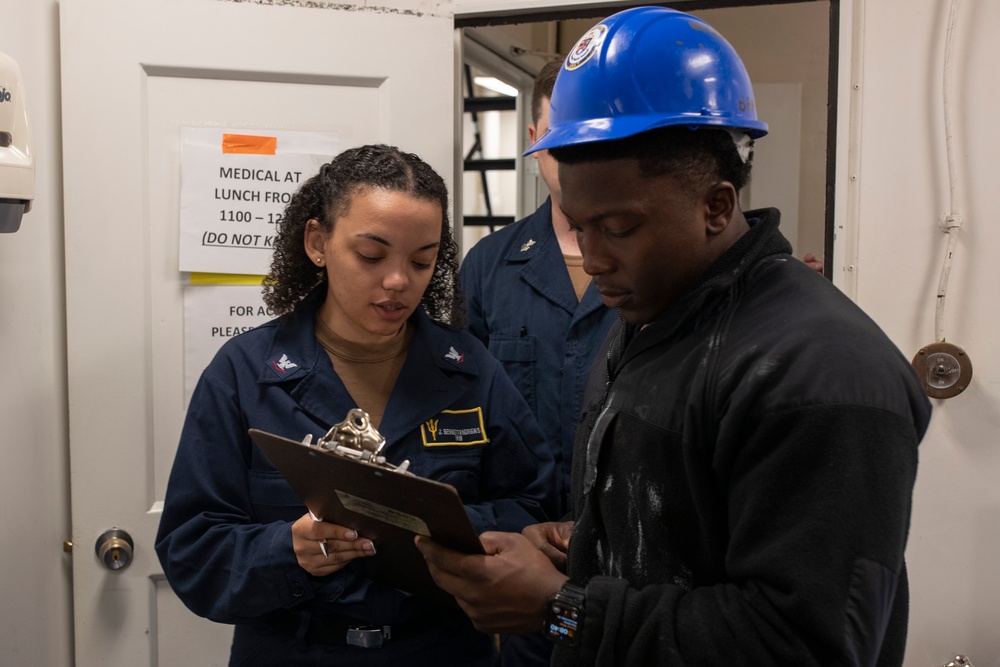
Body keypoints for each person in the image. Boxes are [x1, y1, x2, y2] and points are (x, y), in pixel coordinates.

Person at [416, 7, 931, 666]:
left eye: (619, 227)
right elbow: (696, 520)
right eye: (579, 225)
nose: (594, 257)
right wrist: (584, 543)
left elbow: (802, 643)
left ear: (716, 206)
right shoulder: (652, 317)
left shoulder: (823, 374)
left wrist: (563, 607)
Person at [155, 144, 556, 666]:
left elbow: (535, 509)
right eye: (371, 255)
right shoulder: (244, 373)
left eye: (422, 261)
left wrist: (440, 530)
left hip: (439, 649)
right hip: (295, 649)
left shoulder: (470, 371)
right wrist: (288, 551)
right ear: (318, 242)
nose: (398, 281)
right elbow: (193, 548)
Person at [461, 59, 619, 667]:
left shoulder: (660, 270)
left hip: (633, 572)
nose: (575, 150)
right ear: (535, 140)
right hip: (523, 565)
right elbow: (459, 419)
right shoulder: (489, 267)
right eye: (561, 130)